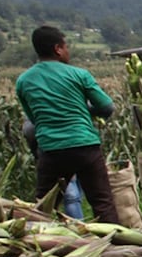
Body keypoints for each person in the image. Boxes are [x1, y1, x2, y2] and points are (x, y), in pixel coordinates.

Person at [16, 26, 120, 224]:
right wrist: (84, 109)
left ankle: (39, 246)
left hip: (51, 150)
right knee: (103, 203)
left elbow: (34, 119)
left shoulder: (24, 81)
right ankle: (118, 247)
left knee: (43, 208)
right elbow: (106, 107)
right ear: (58, 49)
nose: (68, 51)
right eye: (66, 47)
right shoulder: (79, 75)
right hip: (85, 146)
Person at [22, 119, 84, 219]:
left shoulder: (36, 120)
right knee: (73, 196)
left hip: (58, 154)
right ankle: (80, 224)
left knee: (72, 197)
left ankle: (79, 225)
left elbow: (31, 135)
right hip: (81, 147)